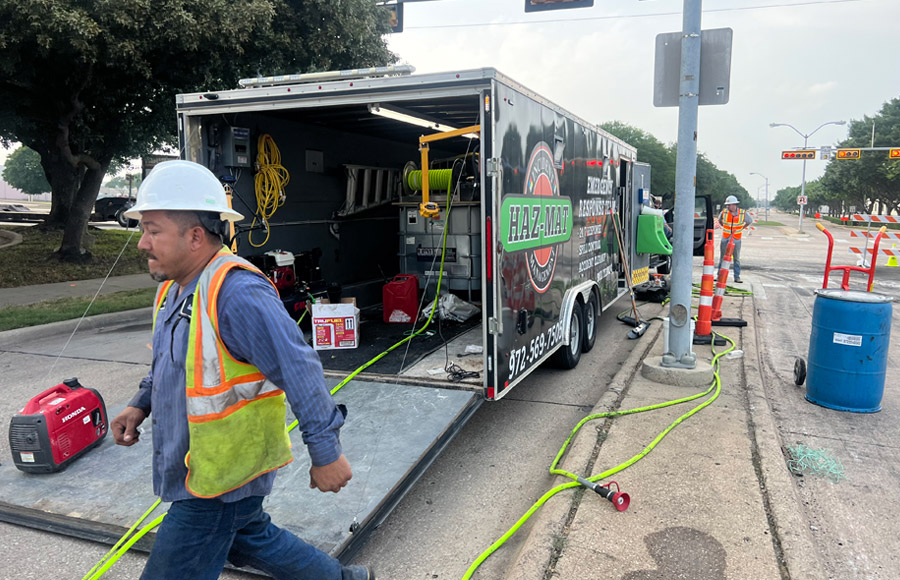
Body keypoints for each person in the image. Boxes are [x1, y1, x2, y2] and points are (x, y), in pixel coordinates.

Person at [110, 160, 374, 580]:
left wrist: (326, 453)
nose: (142, 243)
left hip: (217, 482)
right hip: (208, 470)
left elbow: (299, 367)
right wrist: (140, 403)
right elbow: (175, 363)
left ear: (195, 236)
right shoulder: (174, 289)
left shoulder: (236, 292)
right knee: (249, 536)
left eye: (153, 230)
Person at [716, 195, 753, 283]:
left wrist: (741, 228)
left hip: (736, 238)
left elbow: (749, 221)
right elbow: (720, 220)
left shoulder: (742, 213)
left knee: (736, 258)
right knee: (722, 257)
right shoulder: (724, 212)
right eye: (727, 205)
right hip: (725, 237)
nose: (727, 206)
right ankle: (719, 276)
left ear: (734, 205)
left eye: (729, 205)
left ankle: (737, 277)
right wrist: (724, 226)